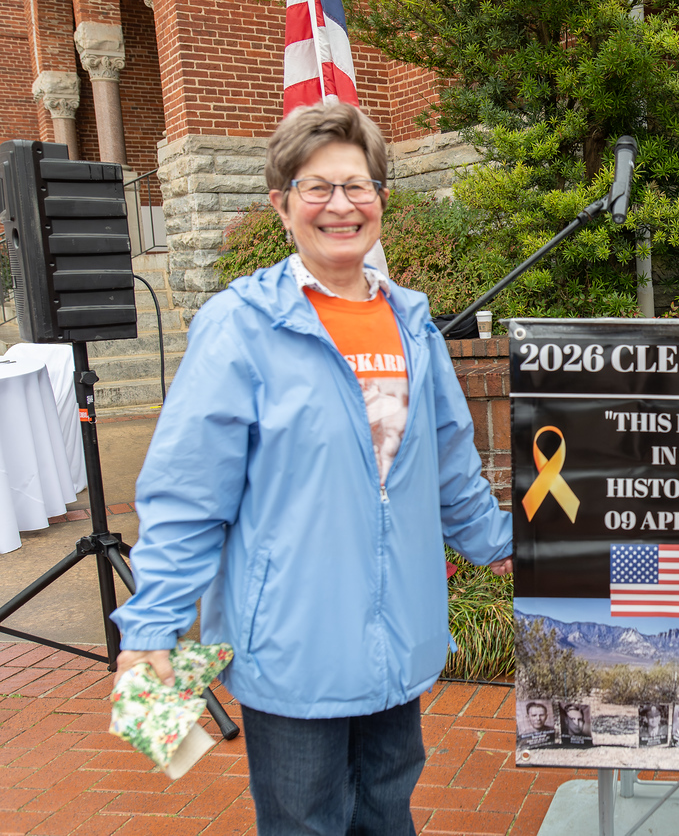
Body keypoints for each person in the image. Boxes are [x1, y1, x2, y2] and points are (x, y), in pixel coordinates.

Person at [110, 102, 514, 836]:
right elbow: (189, 495)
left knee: (389, 810)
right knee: (306, 822)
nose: (340, 205)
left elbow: (450, 464)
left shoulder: (413, 322)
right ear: (282, 202)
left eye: (357, 186)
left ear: (381, 200)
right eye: (317, 187)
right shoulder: (241, 325)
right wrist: (153, 623)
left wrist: (504, 546)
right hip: (293, 646)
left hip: (397, 638)